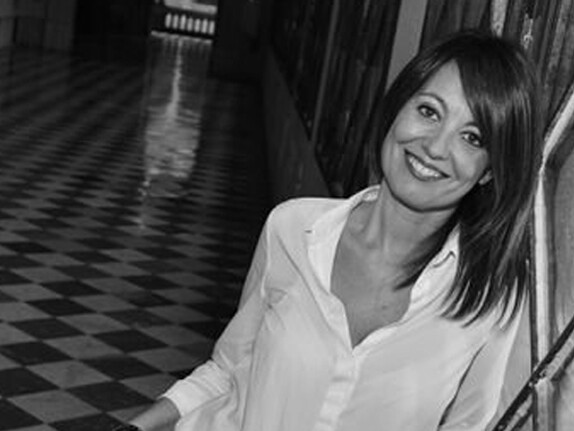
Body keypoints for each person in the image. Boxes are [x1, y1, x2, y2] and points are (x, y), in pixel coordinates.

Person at [113, 30, 540, 431]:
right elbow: (229, 370)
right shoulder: (293, 228)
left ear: (489, 171)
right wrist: (137, 426)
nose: (435, 146)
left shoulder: (493, 297)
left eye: (472, 138)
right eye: (429, 111)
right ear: (397, 110)